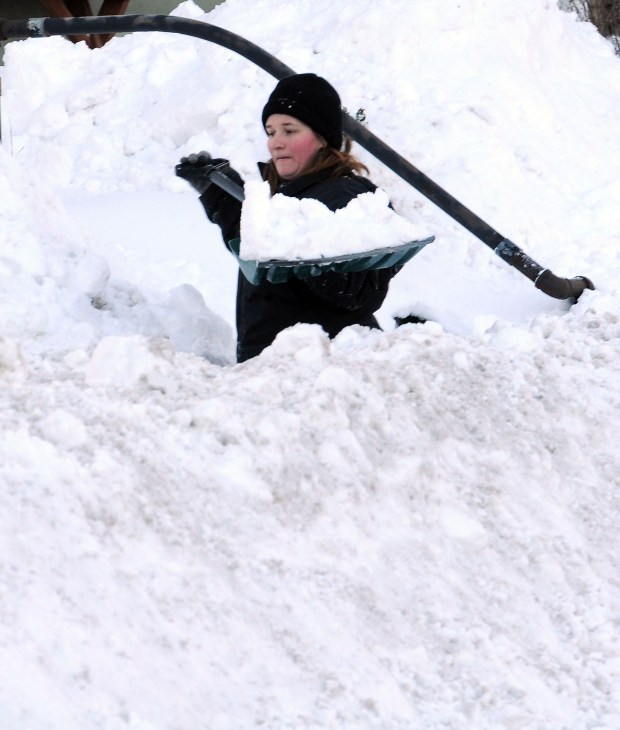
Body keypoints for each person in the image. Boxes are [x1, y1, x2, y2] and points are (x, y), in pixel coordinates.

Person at [177, 73, 402, 363]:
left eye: (289, 131)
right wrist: (219, 191)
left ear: (321, 138)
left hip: (325, 372)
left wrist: (307, 253)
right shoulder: (288, 196)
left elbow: (359, 290)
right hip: (278, 370)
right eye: (271, 132)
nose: (275, 143)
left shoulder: (348, 196)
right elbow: (262, 256)